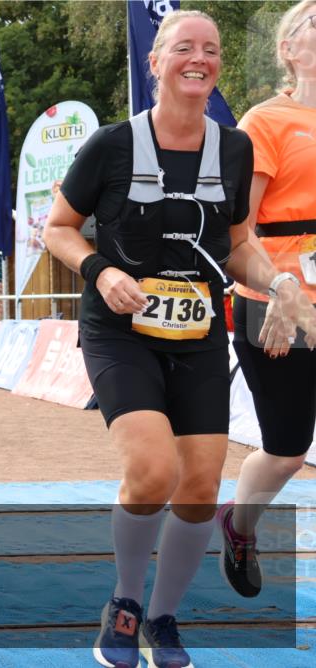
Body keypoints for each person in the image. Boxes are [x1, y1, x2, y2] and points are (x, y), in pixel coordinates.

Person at [42, 11, 316, 668]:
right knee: (153, 470)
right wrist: (102, 272)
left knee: (199, 485)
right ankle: (125, 603)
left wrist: (277, 285)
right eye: (184, 47)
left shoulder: (233, 148)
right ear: (155, 61)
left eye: (212, 50)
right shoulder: (110, 146)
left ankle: (163, 619)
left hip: (197, 331)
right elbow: (58, 227)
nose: (200, 58)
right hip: (120, 331)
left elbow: (241, 244)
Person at [218, 0, 316, 600]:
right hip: (275, 300)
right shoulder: (266, 122)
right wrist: (279, 291)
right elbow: (240, 230)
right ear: (288, 49)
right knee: (286, 450)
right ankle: (241, 524)